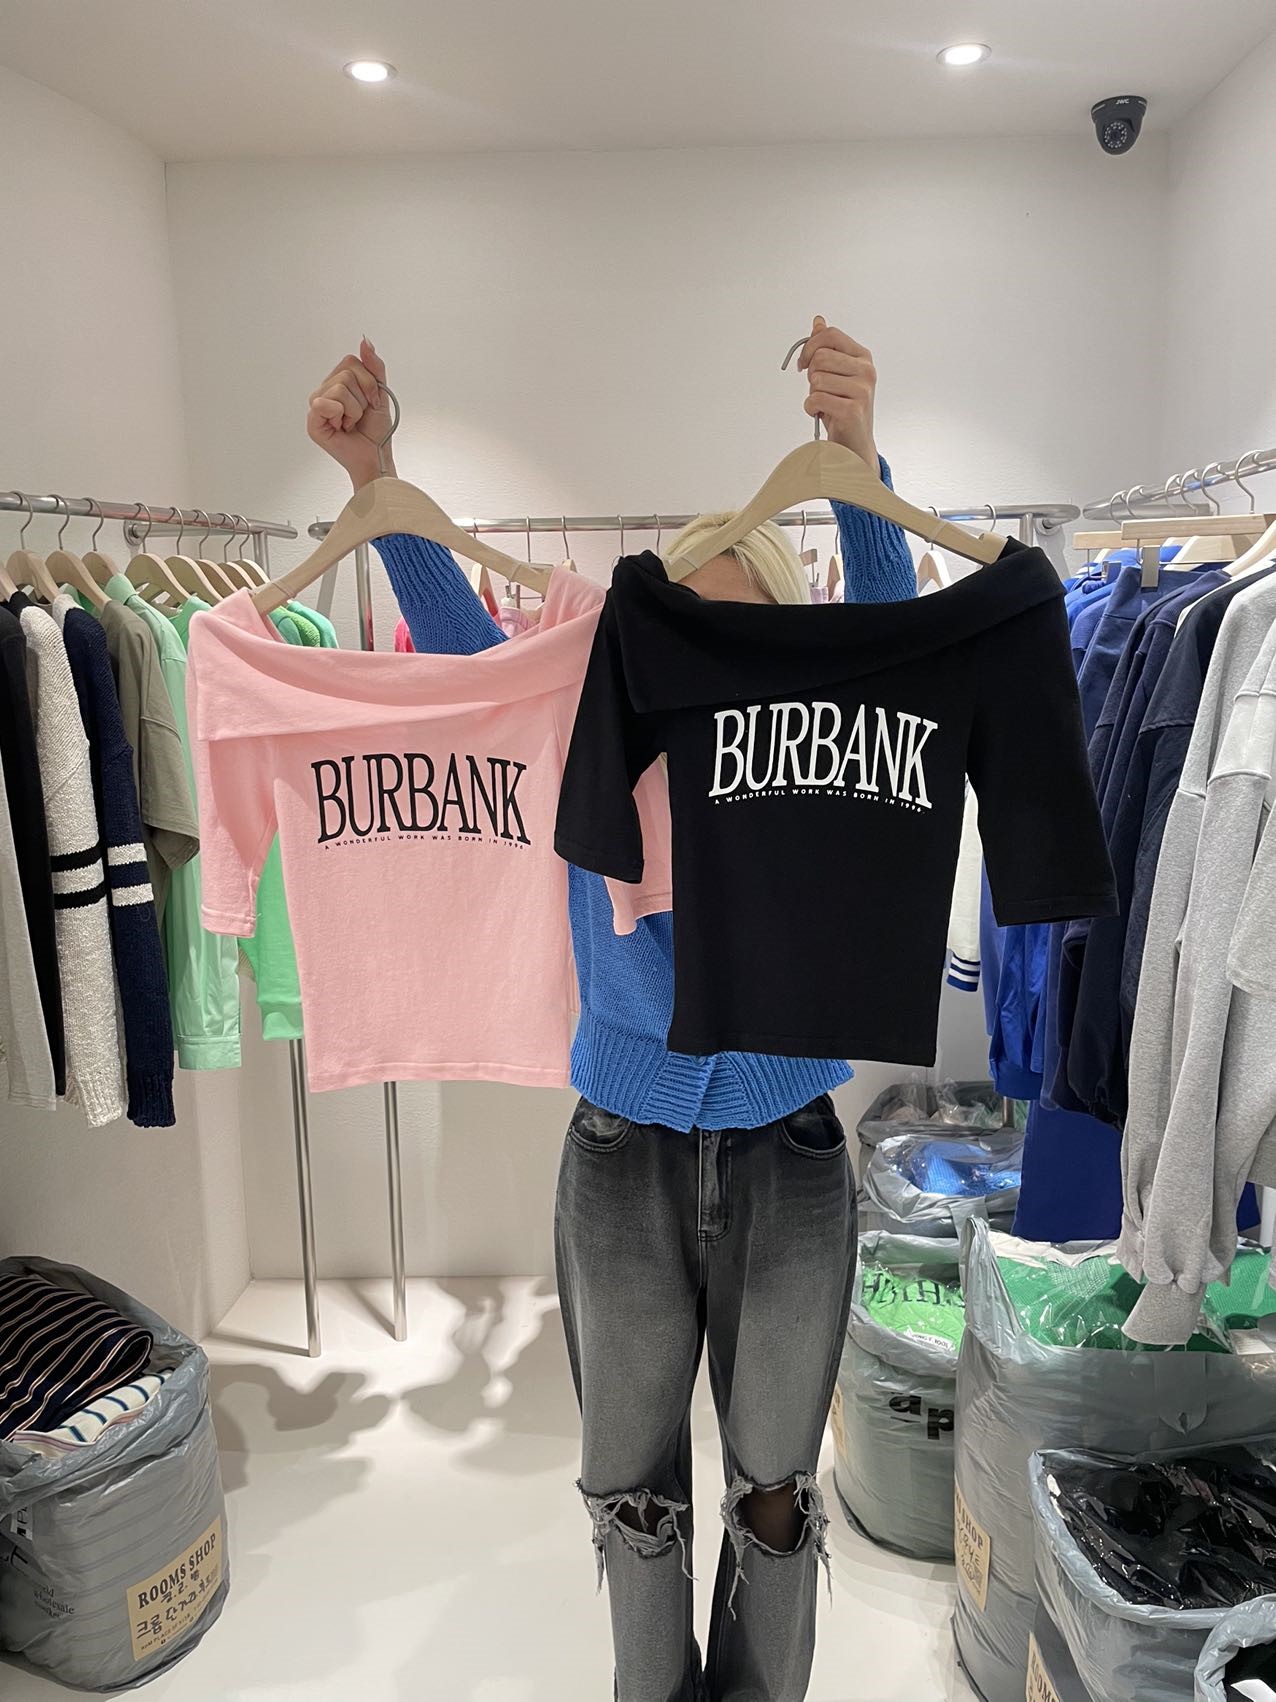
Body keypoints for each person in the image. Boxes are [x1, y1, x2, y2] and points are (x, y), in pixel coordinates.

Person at [306, 320, 916, 1702]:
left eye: (738, 637)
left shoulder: (830, 739)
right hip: (619, 1155)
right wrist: (376, 481)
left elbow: (889, 648)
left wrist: (858, 460)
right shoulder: (599, 726)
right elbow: (476, 663)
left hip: (791, 1158)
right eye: (683, 632)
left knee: (778, 1493)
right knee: (632, 1490)